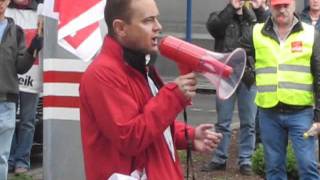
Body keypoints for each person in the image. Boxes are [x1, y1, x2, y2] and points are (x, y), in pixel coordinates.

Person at [79, 0, 223, 179]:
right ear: (120, 28)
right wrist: (173, 97)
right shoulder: (101, 75)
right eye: (148, 20)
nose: (158, 26)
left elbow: (149, 123)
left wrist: (189, 136)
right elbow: (130, 137)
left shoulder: (138, 66)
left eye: (157, 19)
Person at [240, 0, 320, 179]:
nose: (282, 10)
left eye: (286, 5)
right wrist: (250, 79)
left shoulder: (310, 34)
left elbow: (319, 73)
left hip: (301, 112)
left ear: (294, 5)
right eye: (277, 6)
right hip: (269, 113)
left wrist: (319, 115)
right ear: (270, 5)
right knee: (274, 168)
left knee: (308, 166)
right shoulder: (256, 32)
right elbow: (237, 56)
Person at [201, 0, 268, 175]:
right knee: (223, 122)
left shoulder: (255, 18)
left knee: (249, 122)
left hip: (249, 76)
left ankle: (246, 160)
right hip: (226, 76)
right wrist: (232, 8)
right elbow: (214, 28)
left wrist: (257, 9)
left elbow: (266, 31)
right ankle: (219, 159)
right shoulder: (220, 16)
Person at [0, 0, 42, 179]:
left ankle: (19, 162)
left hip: (8, 98)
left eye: (3, 1)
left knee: (2, 155)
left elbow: (21, 65)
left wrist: (33, 48)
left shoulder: (15, 31)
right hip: (7, 96)